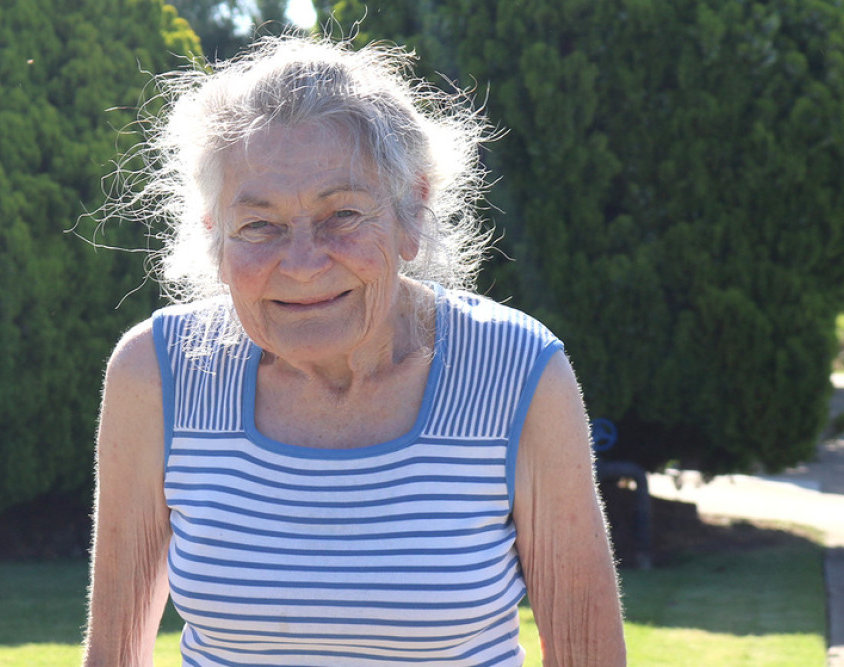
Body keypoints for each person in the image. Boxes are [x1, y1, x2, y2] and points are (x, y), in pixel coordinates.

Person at [83, 34, 626, 666]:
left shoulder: (516, 372)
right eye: (260, 225)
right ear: (213, 236)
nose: (304, 263)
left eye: (342, 214)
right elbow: (115, 655)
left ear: (412, 214)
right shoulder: (157, 371)